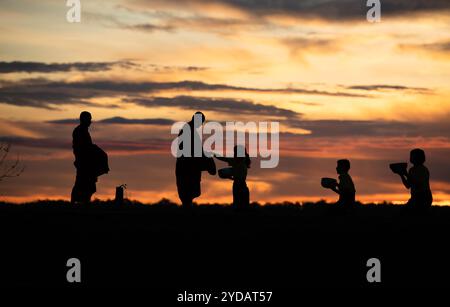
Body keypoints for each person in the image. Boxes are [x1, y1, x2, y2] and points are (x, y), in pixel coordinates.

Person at [175, 112, 215, 209]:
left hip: (186, 166)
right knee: (187, 194)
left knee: (188, 194)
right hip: (186, 167)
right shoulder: (188, 130)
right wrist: (205, 158)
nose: (200, 124)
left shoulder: (189, 129)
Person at [71, 111, 109, 204]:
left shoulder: (82, 130)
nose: (90, 122)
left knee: (87, 185)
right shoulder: (80, 131)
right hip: (84, 163)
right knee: (82, 184)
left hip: (85, 163)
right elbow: (83, 147)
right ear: (84, 120)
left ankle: (82, 203)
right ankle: (77, 204)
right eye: (89, 119)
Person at [215, 145, 251, 209]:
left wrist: (214, 155)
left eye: (235, 152)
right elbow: (238, 175)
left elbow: (224, 159)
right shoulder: (244, 161)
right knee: (244, 207)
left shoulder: (237, 161)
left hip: (238, 186)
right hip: (243, 185)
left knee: (237, 206)